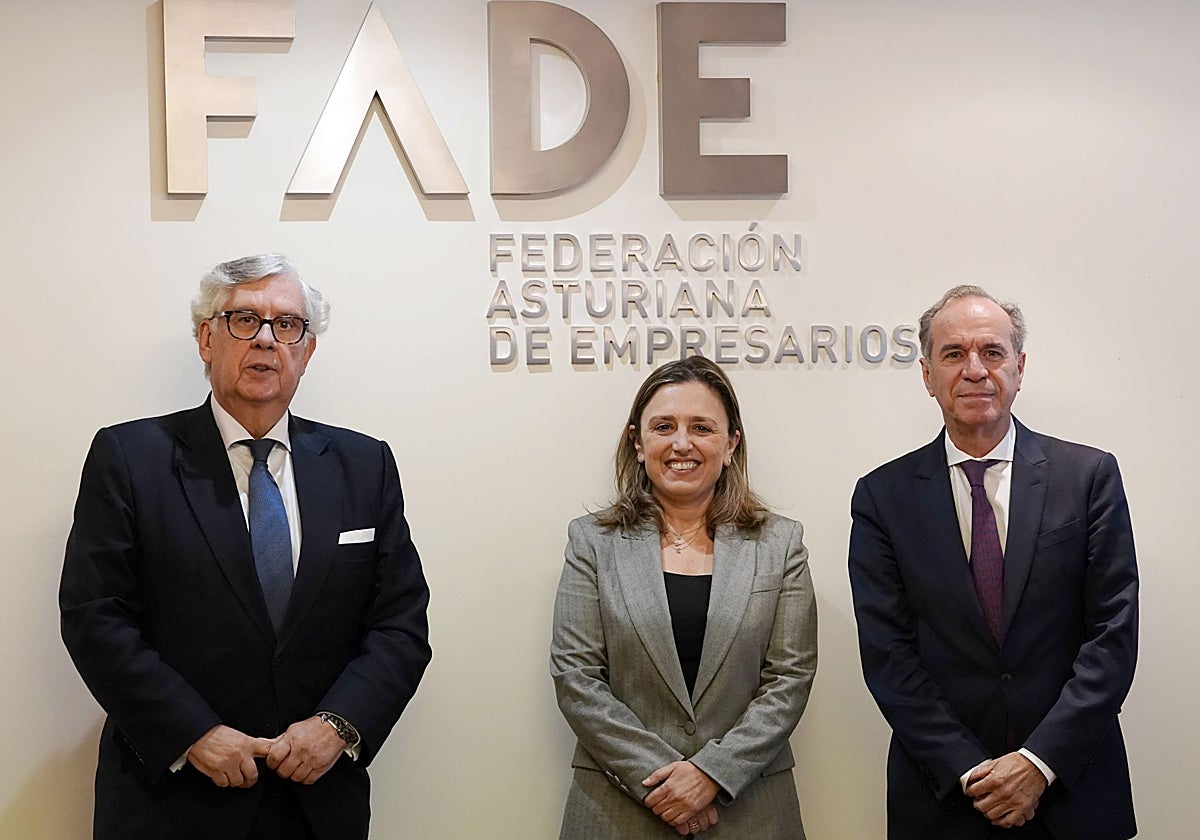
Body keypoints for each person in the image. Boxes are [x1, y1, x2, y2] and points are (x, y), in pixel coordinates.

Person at [59, 254, 432, 840]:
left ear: (306, 352)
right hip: (171, 800)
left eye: (287, 325)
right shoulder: (130, 458)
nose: (265, 339)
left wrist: (337, 726)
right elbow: (95, 618)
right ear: (207, 339)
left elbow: (401, 624)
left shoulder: (365, 465)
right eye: (243, 320)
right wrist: (193, 733)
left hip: (316, 800)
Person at [848, 285, 1138, 839]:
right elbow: (888, 655)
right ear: (928, 375)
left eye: (992, 351)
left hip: (1073, 793)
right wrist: (971, 770)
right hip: (946, 801)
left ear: (1020, 367)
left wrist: (1037, 763)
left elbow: (1113, 637)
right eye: (953, 354)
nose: (975, 370)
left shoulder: (1089, 477)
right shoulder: (882, 497)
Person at [551, 356, 817, 839]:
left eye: (702, 427)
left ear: (731, 442)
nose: (681, 443)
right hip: (619, 809)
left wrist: (711, 775)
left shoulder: (782, 544)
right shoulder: (591, 541)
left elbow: (790, 678)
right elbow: (577, 678)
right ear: (637, 441)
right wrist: (664, 783)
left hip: (750, 811)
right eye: (663, 426)